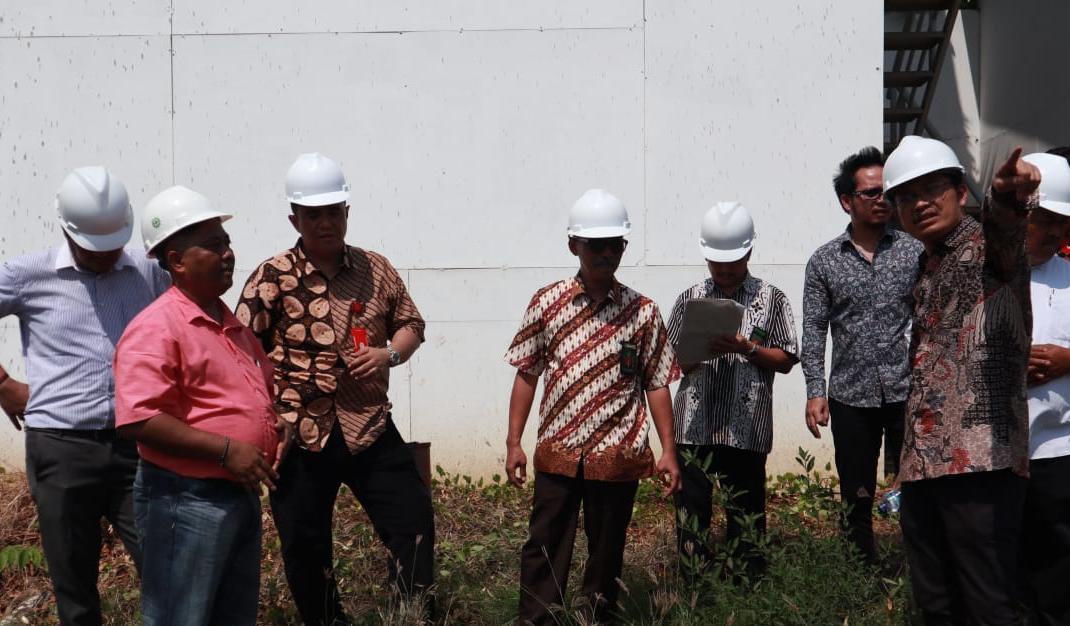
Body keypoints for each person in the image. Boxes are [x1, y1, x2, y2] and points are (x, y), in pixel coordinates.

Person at [237, 153, 434, 625]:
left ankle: (408, 615)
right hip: (300, 434)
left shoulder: (375, 268)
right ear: (295, 219)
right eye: (313, 215)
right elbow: (243, 354)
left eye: (333, 212)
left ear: (347, 212)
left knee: (413, 525)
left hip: (368, 425)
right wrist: (268, 419)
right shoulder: (273, 276)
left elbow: (411, 323)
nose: (325, 223)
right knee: (305, 546)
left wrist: (389, 354)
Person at [114, 185, 290, 625]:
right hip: (184, 499)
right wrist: (229, 450)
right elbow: (139, 418)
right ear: (176, 261)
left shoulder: (228, 323)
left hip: (236, 492)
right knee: (181, 617)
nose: (228, 254)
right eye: (213, 246)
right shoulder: (157, 327)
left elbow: (240, 398)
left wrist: (274, 424)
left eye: (226, 243)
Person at [0, 167, 169, 626]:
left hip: (138, 444)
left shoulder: (149, 272)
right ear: (64, 227)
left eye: (113, 243)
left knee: (165, 567)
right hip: (61, 446)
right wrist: (3, 384)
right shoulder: (26, 274)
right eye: (93, 246)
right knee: (73, 581)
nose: (105, 255)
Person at [504, 189, 681, 624]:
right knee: (544, 544)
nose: (604, 254)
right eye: (594, 245)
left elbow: (657, 382)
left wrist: (669, 450)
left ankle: (597, 618)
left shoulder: (643, 312)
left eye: (613, 245)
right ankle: (537, 620)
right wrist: (514, 442)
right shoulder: (547, 303)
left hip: (617, 453)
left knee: (607, 551)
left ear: (623, 247)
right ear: (573, 246)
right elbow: (527, 373)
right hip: (559, 450)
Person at [883, 135, 1040, 625]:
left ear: (961, 192)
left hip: (980, 463)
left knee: (987, 602)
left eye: (932, 189)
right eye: (905, 197)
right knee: (935, 603)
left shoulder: (988, 251)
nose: (919, 204)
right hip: (925, 467)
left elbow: (1008, 230)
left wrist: (1010, 195)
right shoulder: (924, 264)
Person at [801, 146, 921, 563]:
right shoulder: (824, 262)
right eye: (870, 193)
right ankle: (860, 570)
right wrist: (816, 391)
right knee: (857, 491)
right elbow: (814, 328)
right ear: (846, 201)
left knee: (918, 488)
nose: (882, 200)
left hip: (909, 391)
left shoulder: (914, 252)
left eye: (886, 191)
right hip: (851, 395)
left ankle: (918, 567)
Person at [667, 201, 798, 582]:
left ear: (750, 252)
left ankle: (748, 593)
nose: (724, 270)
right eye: (716, 262)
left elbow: (787, 357)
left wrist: (748, 348)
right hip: (695, 427)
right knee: (692, 518)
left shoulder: (772, 298)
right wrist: (696, 351)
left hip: (746, 430)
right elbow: (668, 362)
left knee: (747, 517)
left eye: (732, 262)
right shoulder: (690, 298)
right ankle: (695, 592)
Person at [1019, 151, 1070, 625]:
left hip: (1058, 448)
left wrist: (1067, 359)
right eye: (1045, 220)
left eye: (1063, 223)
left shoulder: (1069, 276)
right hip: (993, 451)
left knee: (1054, 564)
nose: (1055, 234)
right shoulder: (979, 275)